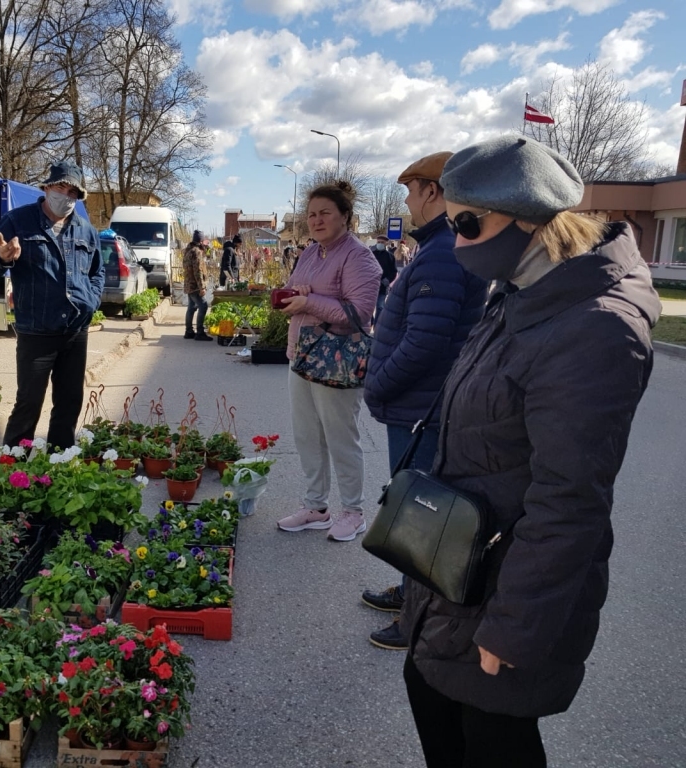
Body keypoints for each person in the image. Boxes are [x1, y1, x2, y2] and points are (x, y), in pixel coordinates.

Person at [401, 136, 658, 767]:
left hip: (508, 588)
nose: (457, 241)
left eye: (467, 223)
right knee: (431, 696)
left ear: (529, 217)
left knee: (491, 740)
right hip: (462, 568)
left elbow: (570, 500)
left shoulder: (595, 327)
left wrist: (514, 627)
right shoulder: (521, 287)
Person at [361, 151, 488, 651]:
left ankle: (418, 619)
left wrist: (378, 382)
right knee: (412, 505)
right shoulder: (442, 247)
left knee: (421, 515)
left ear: (433, 191)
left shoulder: (441, 254)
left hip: (421, 406)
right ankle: (411, 594)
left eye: (412, 192)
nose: (409, 203)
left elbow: (425, 341)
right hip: (420, 403)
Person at [276, 181, 382, 542]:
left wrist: (309, 302)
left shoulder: (358, 257)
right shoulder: (310, 253)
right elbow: (299, 289)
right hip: (301, 355)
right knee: (307, 436)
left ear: (345, 217)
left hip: (336, 360)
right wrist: (297, 294)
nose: (316, 220)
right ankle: (316, 507)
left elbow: (358, 314)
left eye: (325, 213)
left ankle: (353, 512)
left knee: (340, 438)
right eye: (311, 215)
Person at [0, 161, 103, 449]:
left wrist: (91, 300)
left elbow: (98, 273)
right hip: (36, 331)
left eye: (74, 192)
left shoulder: (86, 231)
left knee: (69, 403)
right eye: (61, 188)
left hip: (74, 332)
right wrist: (2, 258)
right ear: (46, 188)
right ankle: (11, 474)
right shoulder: (17, 221)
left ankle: (58, 466)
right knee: (28, 405)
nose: (67, 196)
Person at [183, 230, 212, 341]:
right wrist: (202, 287)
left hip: (188, 284)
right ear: (200, 241)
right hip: (195, 285)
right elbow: (198, 271)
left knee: (191, 307)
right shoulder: (196, 252)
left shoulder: (187, 250)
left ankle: (189, 331)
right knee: (203, 305)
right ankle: (200, 332)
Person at [370, 235, 398, 325]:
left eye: (382, 242)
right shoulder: (371, 255)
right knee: (369, 307)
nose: (380, 244)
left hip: (383, 286)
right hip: (371, 286)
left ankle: (377, 325)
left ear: (386, 243)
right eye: (378, 242)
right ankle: (371, 322)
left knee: (380, 306)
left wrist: (388, 280)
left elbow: (394, 271)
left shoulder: (390, 256)